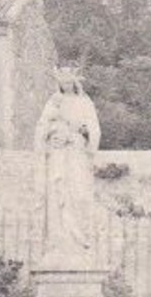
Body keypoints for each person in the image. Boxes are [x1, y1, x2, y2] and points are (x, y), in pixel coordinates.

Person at [35, 67, 102, 265]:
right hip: (58, 155)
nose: (66, 85)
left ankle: (79, 243)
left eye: (68, 82)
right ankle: (58, 244)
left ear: (74, 82)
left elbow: (94, 129)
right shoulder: (53, 103)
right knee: (58, 195)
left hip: (77, 154)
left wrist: (82, 132)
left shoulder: (84, 102)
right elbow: (41, 127)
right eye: (62, 82)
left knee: (78, 195)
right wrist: (53, 133)